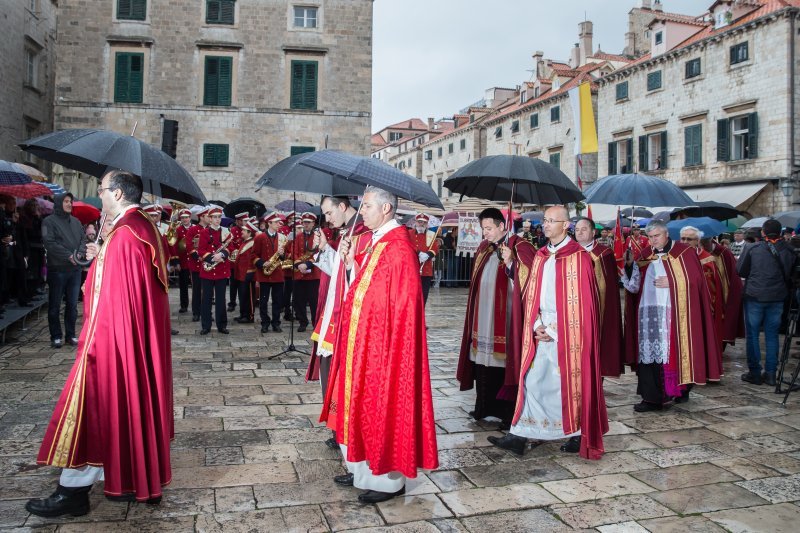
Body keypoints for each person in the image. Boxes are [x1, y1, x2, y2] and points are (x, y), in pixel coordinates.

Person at [25, 170, 172, 517]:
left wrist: (91, 349)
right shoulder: (140, 227)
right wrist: (101, 253)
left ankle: (72, 491)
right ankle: (129, 478)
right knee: (119, 411)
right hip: (128, 341)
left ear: (118, 194)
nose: (100, 195)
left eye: (103, 189)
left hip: (109, 343)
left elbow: (107, 298)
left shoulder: (124, 235)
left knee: (91, 409)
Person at [321, 186, 438, 503]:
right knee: (359, 405)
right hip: (364, 343)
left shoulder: (398, 248)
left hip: (384, 348)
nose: (364, 211)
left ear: (386, 209)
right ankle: (360, 469)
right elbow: (363, 286)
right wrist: (349, 262)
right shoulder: (378, 243)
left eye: (369, 206)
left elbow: (400, 305)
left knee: (381, 407)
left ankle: (388, 481)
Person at [489, 206, 607, 459]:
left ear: (566, 225)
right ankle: (519, 435)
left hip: (568, 332)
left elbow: (585, 305)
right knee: (532, 381)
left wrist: (554, 330)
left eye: (552, 221)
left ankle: (577, 433)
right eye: (545, 220)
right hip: (541, 326)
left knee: (569, 384)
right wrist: (536, 324)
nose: (546, 224)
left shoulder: (580, 257)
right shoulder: (541, 255)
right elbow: (532, 293)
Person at [621, 220, 722, 411]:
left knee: (675, 351)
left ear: (666, 234)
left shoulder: (684, 252)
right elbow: (633, 286)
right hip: (648, 314)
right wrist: (628, 266)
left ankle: (680, 390)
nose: (653, 241)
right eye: (650, 237)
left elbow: (697, 281)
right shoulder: (644, 254)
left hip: (674, 313)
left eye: (656, 236)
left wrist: (673, 282)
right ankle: (651, 398)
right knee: (650, 355)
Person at [456, 207, 535, 430]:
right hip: (483, 315)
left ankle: (506, 412)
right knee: (482, 359)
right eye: (483, 229)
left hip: (507, 317)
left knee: (503, 361)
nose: (485, 234)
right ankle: (484, 406)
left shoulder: (521, 246)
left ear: (502, 226)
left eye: (489, 228)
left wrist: (511, 262)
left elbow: (530, 281)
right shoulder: (483, 248)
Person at [307, 197, 369, 449]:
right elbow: (339, 272)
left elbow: (358, 276)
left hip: (347, 314)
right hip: (334, 312)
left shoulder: (362, 233)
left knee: (339, 370)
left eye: (329, 213)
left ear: (343, 207)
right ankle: (336, 427)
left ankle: (342, 428)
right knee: (328, 368)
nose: (327, 219)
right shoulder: (347, 231)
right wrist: (325, 249)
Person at [737, 219, 796, 386]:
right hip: (777, 296)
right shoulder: (789, 250)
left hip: (755, 295)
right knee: (772, 335)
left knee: (753, 335)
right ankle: (771, 373)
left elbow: (740, 270)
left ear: (763, 232)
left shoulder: (753, 248)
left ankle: (754, 372)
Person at [574, 217, 624, 377]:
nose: (580, 233)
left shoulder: (604, 254)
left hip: (596, 308)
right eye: (577, 230)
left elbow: (609, 288)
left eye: (584, 229)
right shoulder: (568, 252)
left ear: (593, 232)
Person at [42, 193, 86, 348]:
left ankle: (71, 334)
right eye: (66, 201)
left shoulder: (76, 221)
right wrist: (69, 256)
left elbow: (83, 240)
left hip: (75, 270)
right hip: (57, 269)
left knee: (73, 305)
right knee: (54, 304)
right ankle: (56, 336)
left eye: (70, 201)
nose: (69, 204)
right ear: (59, 203)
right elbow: (49, 243)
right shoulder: (48, 221)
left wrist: (79, 253)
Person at [680, 226, 724, 368]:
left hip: (702, 307)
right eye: (683, 238)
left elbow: (714, 287)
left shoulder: (707, 259)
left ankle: (701, 367)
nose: (685, 241)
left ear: (697, 240)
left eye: (689, 239)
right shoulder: (674, 257)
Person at [702, 235, 745, 350]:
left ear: (710, 240)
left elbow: (733, 279)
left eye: (705, 243)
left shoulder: (723, 253)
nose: (703, 246)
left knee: (720, 328)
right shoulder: (696, 253)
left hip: (720, 299)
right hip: (703, 297)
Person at [198, 206, 231, 335]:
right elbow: (201, 250)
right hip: (208, 269)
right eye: (215, 217)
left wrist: (221, 255)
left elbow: (232, 247)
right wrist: (213, 258)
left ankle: (222, 325)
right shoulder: (204, 233)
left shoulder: (226, 231)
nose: (218, 220)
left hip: (222, 270)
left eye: (219, 217)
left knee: (221, 299)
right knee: (206, 299)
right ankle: (206, 326)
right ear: (210, 219)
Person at [253, 213, 286, 333]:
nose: (279, 224)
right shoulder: (260, 237)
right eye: (276, 222)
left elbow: (285, 258)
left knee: (277, 300)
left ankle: (276, 323)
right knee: (263, 301)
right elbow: (254, 255)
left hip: (277, 274)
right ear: (269, 223)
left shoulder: (282, 237)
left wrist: (282, 255)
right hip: (264, 274)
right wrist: (262, 263)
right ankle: (265, 323)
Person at [291, 212, 320, 332]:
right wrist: (299, 264)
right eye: (304, 222)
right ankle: (303, 322)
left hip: (313, 274)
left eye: (308, 223)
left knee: (314, 301)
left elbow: (319, 253)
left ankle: (315, 322)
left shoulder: (318, 236)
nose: (306, 225)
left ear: (313, 223)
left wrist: (307, 264)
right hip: (300, 274)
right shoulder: (298, 237)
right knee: (299, 300)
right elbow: (294, 252)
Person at [408, 213, 440, 306]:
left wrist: (428, 254)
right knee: (412, 294)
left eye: (424, 223)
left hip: (426, 270)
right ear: (416, 222)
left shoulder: (431, 234)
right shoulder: (409, 233)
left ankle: (421, 314)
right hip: (412, 269)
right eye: (419, 222)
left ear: (427, 224)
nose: (421, 224)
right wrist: (418, 252)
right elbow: (407, 245)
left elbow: (435, 248)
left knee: (423, 295)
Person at [186, 207, 210, 322]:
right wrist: (198, 256)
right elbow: (189, 246)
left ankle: (207, 312)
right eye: (208, 216)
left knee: (208, 290)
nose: (210, 219)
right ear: (201, 217)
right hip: (196, 263)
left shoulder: (211, 230)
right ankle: (196, 312)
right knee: (196, 289)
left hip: (209, 264)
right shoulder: (193, 230)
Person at [233, 220, 259, 324]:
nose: (242, 232)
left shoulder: (252, 243)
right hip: (241, 274)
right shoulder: (244, 242)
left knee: (249, 297)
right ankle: (243, 314)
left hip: (248, 274)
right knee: (242, 296)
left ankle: (249, 316)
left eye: (244, 230)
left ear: (249, 233)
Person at [227, 212, 248, 312]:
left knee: (242, 284)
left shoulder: (247, 230)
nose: (244, 222)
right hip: (234, 261)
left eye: (245, 221)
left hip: (244, 261)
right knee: (233, 284)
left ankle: (243, 303)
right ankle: (232, 302)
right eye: (242, 221)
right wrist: (235, 252)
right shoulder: (232, 230)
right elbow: (229, 244)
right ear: (238, 221)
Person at [174, 209, 193, 313]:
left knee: (197, 285)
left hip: (194, 261)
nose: (185, 219)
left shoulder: (195, 229)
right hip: (183, 262)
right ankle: (184, 305)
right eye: (182, 218)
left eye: (186, 217)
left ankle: (197, 305)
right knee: (183, 285)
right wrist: (176, 262)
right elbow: (175, 247)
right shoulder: (178, 230)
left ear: (190, 218)